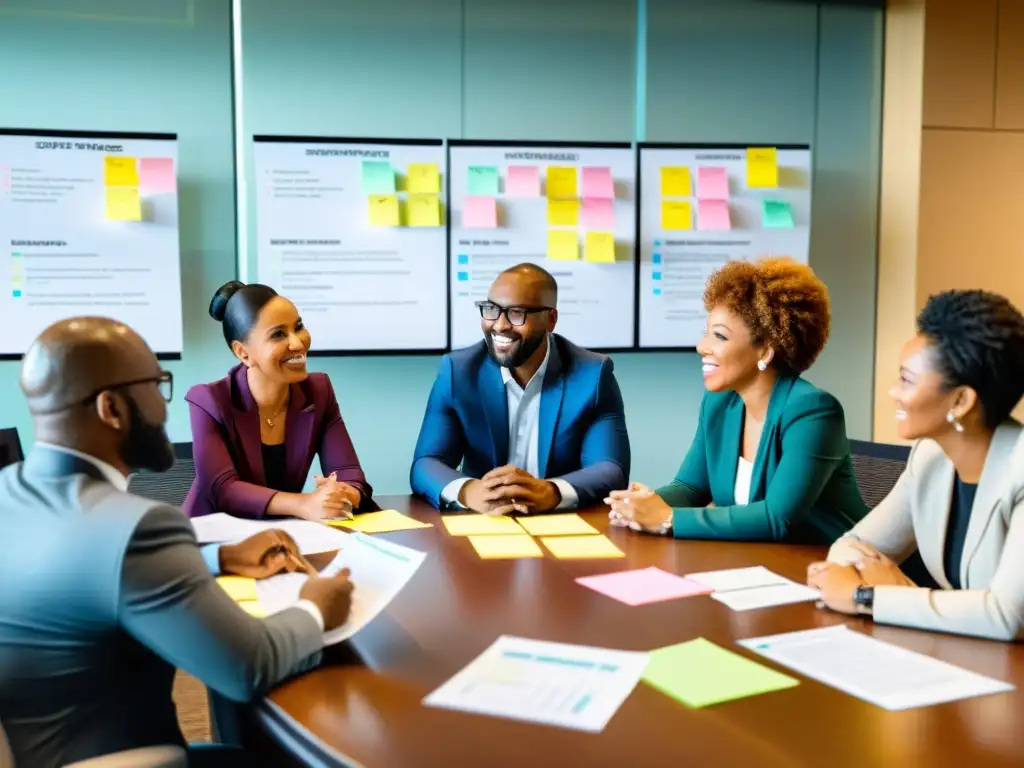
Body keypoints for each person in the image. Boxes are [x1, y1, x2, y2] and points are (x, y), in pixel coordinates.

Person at [0, 317, 355, 768]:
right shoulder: (136, 525)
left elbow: (84, 575)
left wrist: (215, 557)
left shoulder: (8, 489)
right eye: (157, 385)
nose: (166, 408)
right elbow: (249, 667)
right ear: (112, 408)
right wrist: (315, 606)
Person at [810, 290, 1024, 641]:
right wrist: (896, 593)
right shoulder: (930, 457)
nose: (893, 391)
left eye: (906, 379)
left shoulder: (1019, 470)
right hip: (968, 656)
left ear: (960, 400)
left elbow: (1006, 615)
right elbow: (855, 543)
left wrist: (867, 596)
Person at [607, 257, 867, 543]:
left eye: (719, 336)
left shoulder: (812, 412)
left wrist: (667, 518)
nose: (702, 346)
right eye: (706, 333)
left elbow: (776, 518)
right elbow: (691, 488)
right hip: (761, 562)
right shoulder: (720, 403)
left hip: (831, 565)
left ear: (765, 351)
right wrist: (641, 505)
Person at [411, 263, 630, 514]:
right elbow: (426, 463)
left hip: (561, 524)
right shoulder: (459, 372)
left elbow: (611, 468)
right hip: (483, 522)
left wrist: (551, 491)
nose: (500, 325)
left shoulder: (592, 375)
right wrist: (470, 491)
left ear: (550, 320)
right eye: (491, 309)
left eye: (516, 313)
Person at [184, 281, 372, 519]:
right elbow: (223, 489)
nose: (297, 343)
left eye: (299, 326)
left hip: (283, 535)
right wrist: (303, 504)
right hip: (214, 540)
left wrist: (346, 493)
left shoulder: (318, 390)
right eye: (278, 334)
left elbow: (347, 471)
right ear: (243, 353)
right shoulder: (208, 400)